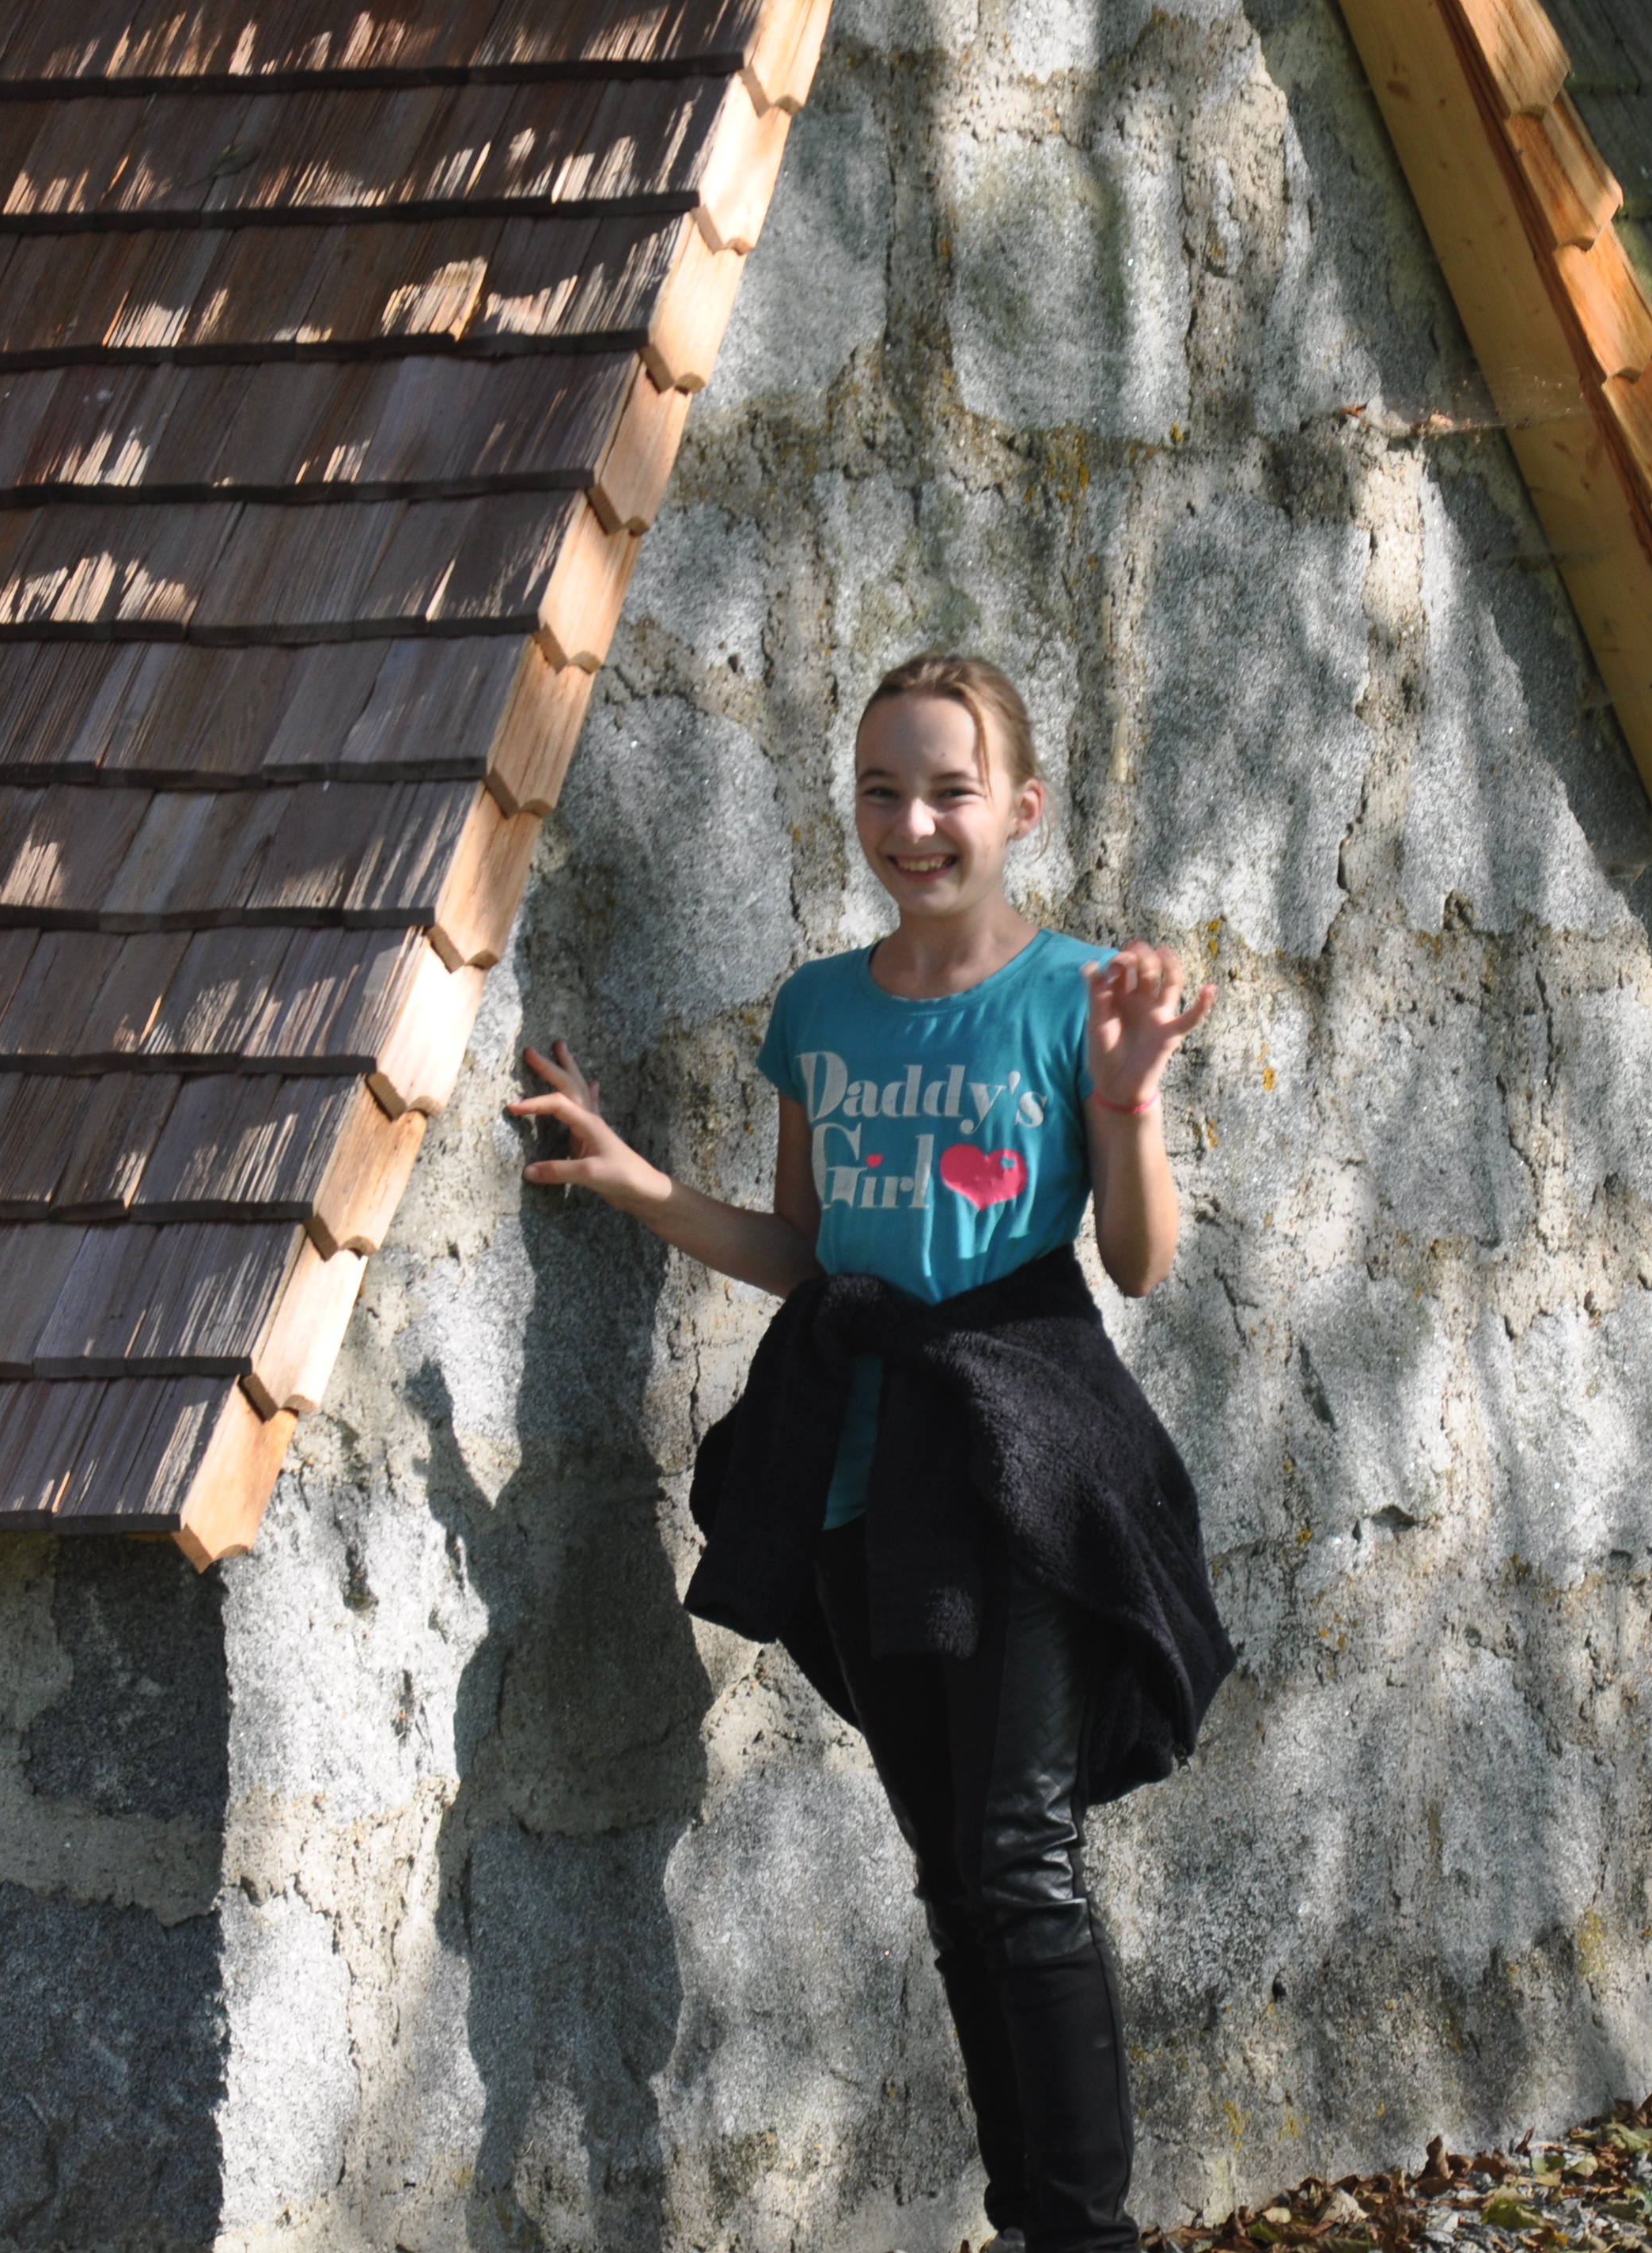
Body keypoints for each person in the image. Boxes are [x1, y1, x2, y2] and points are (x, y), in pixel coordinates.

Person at [508, 652, 1236, 2253]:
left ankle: (1086, 2237)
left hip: (1018, 1453)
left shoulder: (1075, 995)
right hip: (852, 1457)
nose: (913, 824)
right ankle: (1028, 2216)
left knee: (1019, 1857)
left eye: (949, 791)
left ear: (1020, 808)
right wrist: (634, 1178)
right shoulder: (817, 1010)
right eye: (881, 791)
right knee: (952, 1870)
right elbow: (806, 1249)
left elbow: (1137, 1262)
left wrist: (1127, 1102)